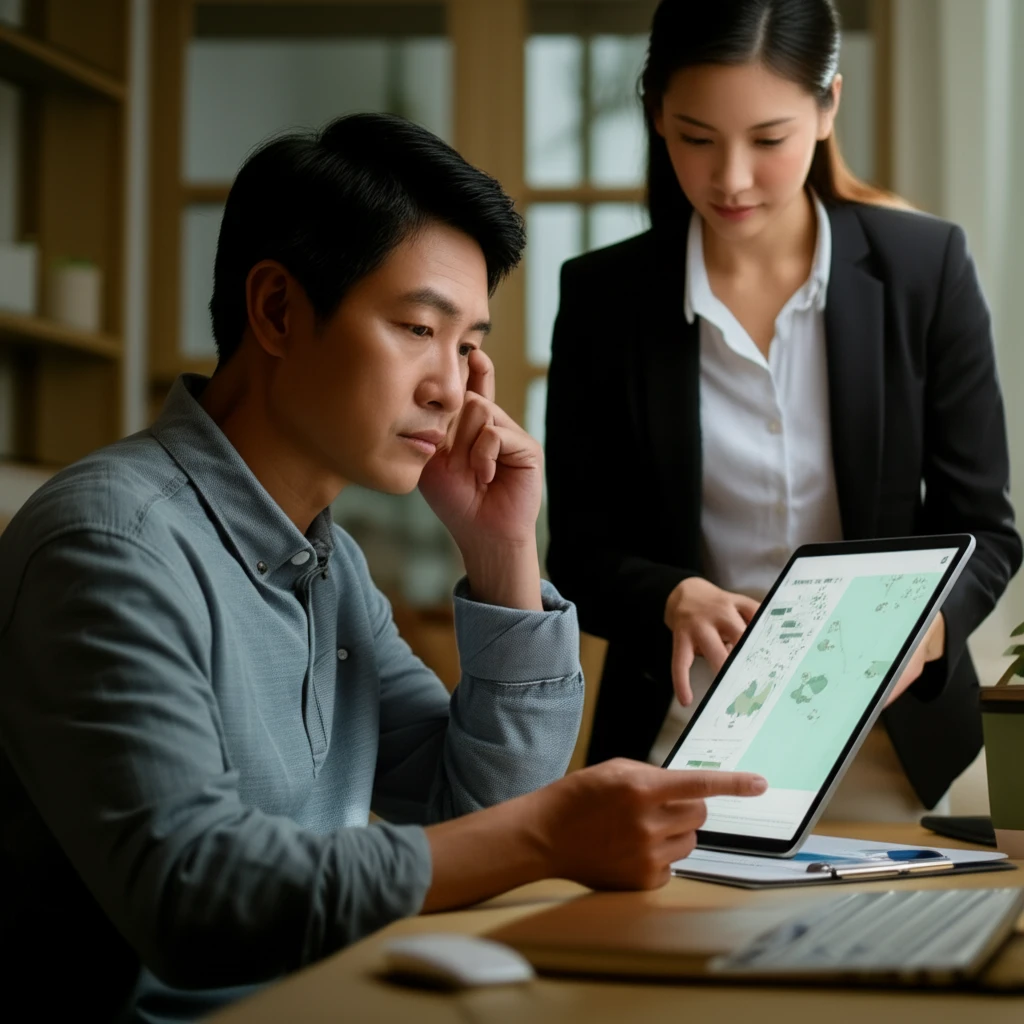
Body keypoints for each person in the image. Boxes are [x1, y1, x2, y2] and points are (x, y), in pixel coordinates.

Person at [0, 114, 766, 1022]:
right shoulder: (109, 545)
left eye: (467, 344)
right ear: (278, 310)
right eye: (416, 327)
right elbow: (195, 897)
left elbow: (467, 806)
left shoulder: (327, 561)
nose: (451, 386)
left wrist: (502, 550)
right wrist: (548, 834)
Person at [545, 0, 1021, 821]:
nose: (730, 178)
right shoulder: (603, 297)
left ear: (828, 105)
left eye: (768, 140)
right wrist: (671, 596)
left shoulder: (924, 268)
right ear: (656, 112)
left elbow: (986, 529)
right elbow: (579, 553)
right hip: (676, 754)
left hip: (894, 761)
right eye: (697, 137)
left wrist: (928, 629)